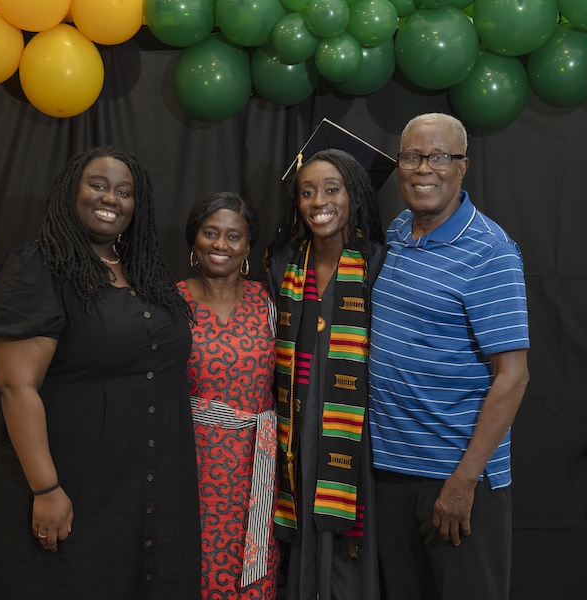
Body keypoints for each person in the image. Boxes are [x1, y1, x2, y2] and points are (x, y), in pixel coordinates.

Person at [0, 146, 200, 599]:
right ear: (70, 192)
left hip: (148, 488)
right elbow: (16, 387)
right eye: (97, 185)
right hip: (74, 487)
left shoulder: (146, 274)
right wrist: (47, 488)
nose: (110, 198)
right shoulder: (39, 267)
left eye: (124, 191)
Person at [368, 113, 530, 600]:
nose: (424, 169)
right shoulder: (396, 232)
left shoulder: (489, 251)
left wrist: (463, 481)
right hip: (390, 473)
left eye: (439, 157)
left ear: (463, 166)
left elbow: (513, 378)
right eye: (413, 156)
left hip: (455, 478)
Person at [266, 148, 385, 600]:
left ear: (354, 195)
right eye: (307, 192)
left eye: (332, 189)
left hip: (353, 430)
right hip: (295, 426)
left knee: (349, 545)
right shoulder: (282, 264)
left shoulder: (378, 263)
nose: (319, 201)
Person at [178, 191, 280, 599]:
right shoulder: (170, 301)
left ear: (248, 246)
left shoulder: (269, 301)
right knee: (194, 564)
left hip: (260, 463)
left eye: (233, 236)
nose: (221, 244)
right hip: (192, 462)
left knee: (254, 569)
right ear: (194, 239)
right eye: (211, 233)